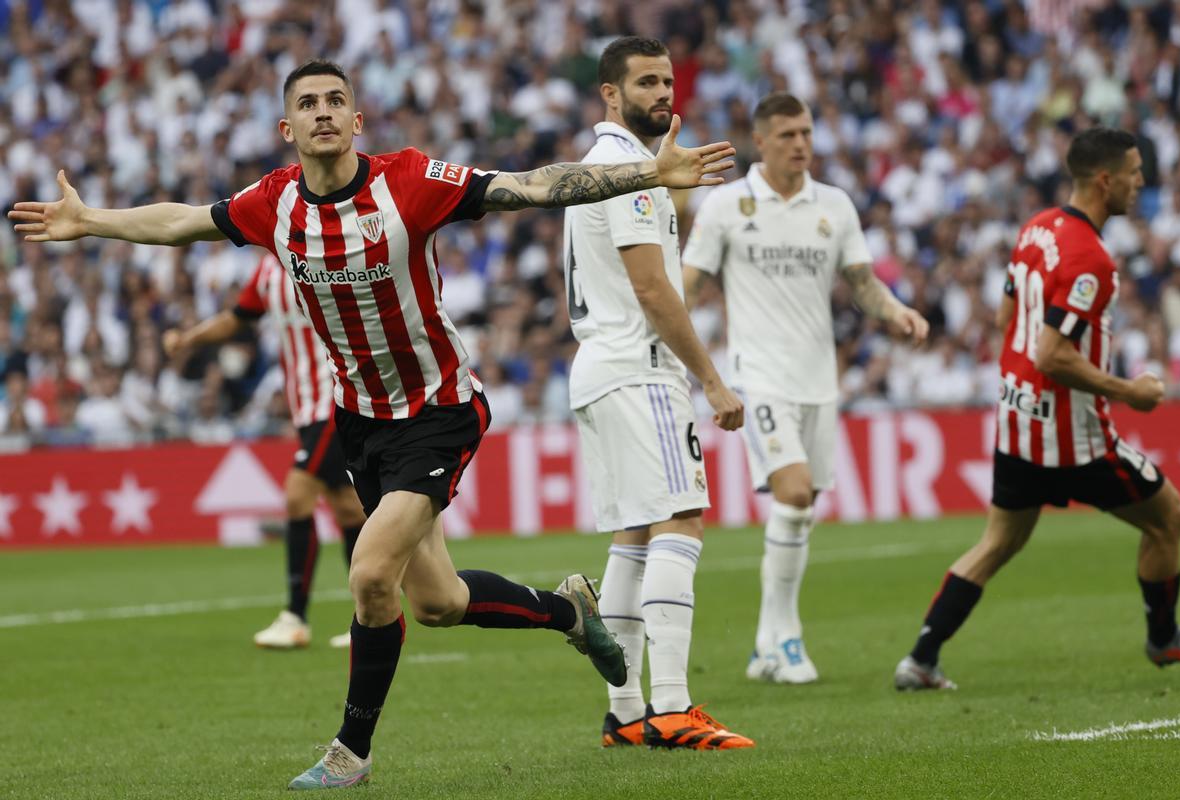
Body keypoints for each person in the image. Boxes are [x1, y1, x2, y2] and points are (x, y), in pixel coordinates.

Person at [9, 58, 737, 789]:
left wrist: (647, 175)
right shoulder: (275, 202)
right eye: (308, 104)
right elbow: (183, 221)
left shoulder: (410, 182)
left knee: (368, 574)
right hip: (361, 420)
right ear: (286, 127)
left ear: (358, 120)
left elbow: (534, 186)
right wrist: (91, 220)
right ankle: (569, 613)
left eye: (336, 101)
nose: (323, 112)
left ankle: (349, 753)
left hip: (439, 410)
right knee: (439, 603)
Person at [893, 127, 1180, 691]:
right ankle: (1164, 635)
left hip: (1016, 420)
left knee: (998, 542)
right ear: (1105, 181)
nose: (1142, 181)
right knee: (1170, 517)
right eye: (1134, 172)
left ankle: (921, 659)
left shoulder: (1037, 229)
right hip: (1072, 437)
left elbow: (1010, 320)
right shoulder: (1092, 260)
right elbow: (1052, 354)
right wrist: (1130, 392)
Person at [682, 92, 929, 684]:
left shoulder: (834, 206)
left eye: (807, 132)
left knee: (803, 507)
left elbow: (862, 282)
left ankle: (766, 645)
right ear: (760, 140)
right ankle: (787, 641)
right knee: (792, 493)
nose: (801, 143)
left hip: (820, 378)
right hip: (758, 376)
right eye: (788, 134)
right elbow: (686, 284)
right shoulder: (727, 205)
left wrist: (895, 312)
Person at [564, 36, 753, 751]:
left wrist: (669, 186)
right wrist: (710, 378)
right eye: (645, 82)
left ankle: (625, 711)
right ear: (609, 94)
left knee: (635, 536)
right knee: (681, 518)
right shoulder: (623, 168)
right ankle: (671, 708)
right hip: (639, 370)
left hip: (599, 366)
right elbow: (651, 287)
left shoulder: (608, 167)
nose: (662, 93)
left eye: (667, 81)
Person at [163, 252, 366, 649]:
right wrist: (188, 338)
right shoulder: (268, 270)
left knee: (297, 495)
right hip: (306, 407)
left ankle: (295, 617)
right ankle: (370, 618)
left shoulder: (324, 253)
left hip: (337, 399)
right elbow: (236, 319)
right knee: (348, 508)